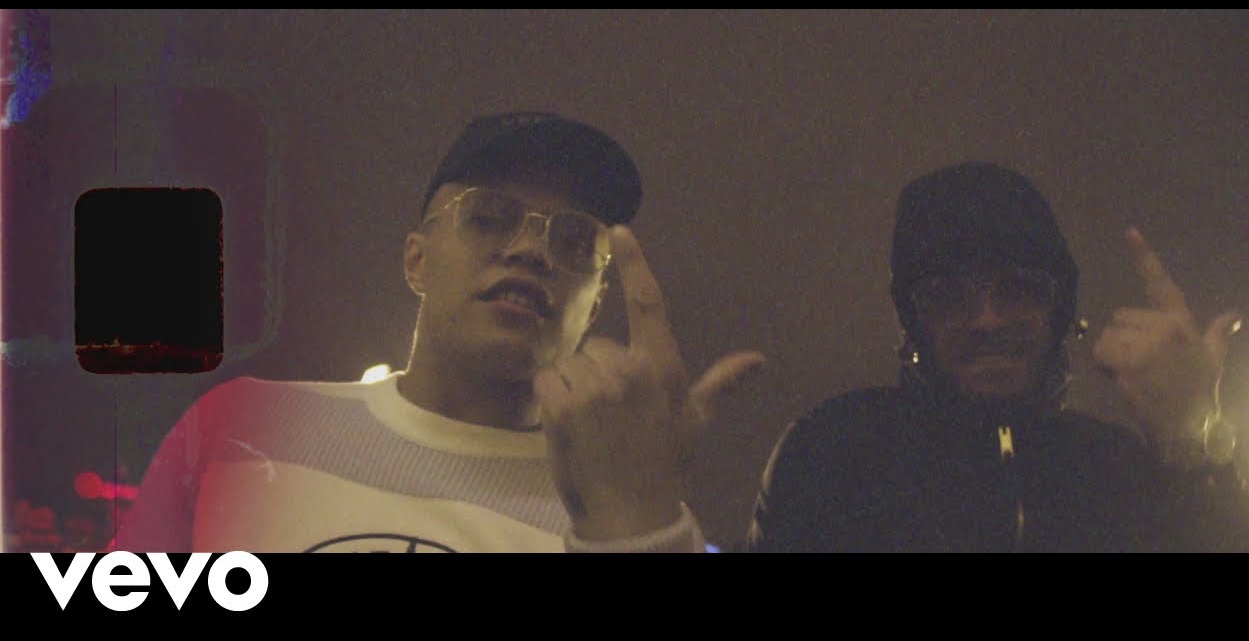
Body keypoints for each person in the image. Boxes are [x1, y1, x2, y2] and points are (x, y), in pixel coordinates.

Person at [111, 111, 764, 553]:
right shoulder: (242, 425)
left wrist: (639, 528)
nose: (530, 250)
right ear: (416, 260)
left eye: (572, 241)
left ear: (594, 305)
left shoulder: (617, 503)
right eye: (488, 217)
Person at [745, 162, 1249, 552]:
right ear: (913, 319)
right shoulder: (835, 455)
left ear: (1059, 309)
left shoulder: (1116, 471)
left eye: (1018, 288)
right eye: (948, 295)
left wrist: (1194, 443)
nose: (987, 319)